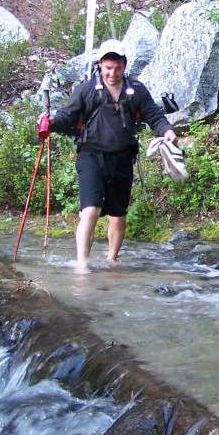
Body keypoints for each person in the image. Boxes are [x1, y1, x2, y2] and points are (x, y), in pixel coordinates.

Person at [38, 39, 177, 268]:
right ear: (100, 65)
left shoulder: (136, 90)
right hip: (90, 156)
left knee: (118, 215)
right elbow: (66, 117)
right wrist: (50, 122)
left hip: (122, 158)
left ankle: (111, 261)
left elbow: (154, 115)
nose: (112, 73)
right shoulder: (85, 90)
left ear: (124, 66)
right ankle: (82, 265)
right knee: (90, 210)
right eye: (108, 68)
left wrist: (168, 131)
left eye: (117, 68)